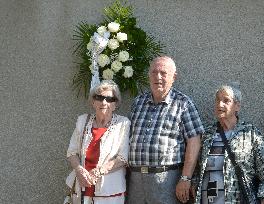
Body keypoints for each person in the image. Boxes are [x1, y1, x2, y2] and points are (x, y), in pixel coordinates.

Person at [128, 56, 204, 204]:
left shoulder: (183, 104)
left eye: (163, 73)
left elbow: (194, 142)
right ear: (149, 76)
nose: (158, 77)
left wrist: (185, 178)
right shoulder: (138, 102)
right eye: (154, 72)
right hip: (135, 180)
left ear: (174, 77)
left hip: (167, 179)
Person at [194, 85, 264, 203]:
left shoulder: (250, 133)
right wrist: (193, 182)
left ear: (237, 106)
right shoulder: (208, 134)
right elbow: (197, 168)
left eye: (226, 100)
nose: (220, 104)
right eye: (217, 100)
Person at [66, 80, 130, 204]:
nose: (104, 102)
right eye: (99, 98)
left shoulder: (123, 124)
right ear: (93, 102)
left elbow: (123, 158)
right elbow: (71, 152)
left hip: (110, 191)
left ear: (115, 104)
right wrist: (79, 170)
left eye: (109, 99)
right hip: (81, 187)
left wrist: (99, 171)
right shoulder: (82, 120)